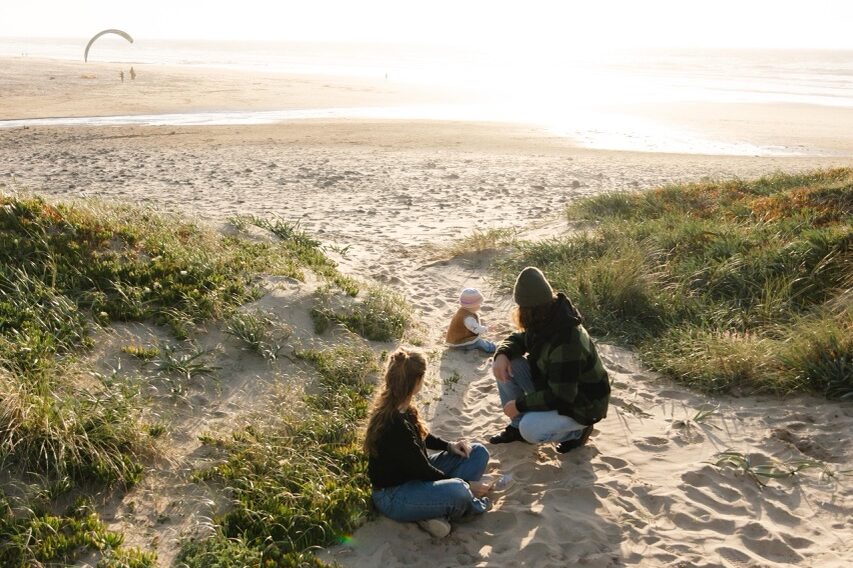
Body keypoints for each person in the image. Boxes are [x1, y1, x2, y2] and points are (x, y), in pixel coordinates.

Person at [365, 348, 492, 538]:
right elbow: (423, 470)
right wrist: (466, 485)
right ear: (416, 381)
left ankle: (430, 512)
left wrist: (450, 446)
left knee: (478, 452)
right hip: (394, 495)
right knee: (459, 490)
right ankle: (443, 508)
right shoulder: (394, 425)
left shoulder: (402, 405)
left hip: (413, 477)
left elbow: (423, 436)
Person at [489, 267, 610, 453]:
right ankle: (516, 427)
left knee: (530, 429)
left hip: (583, 404)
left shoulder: (566, 340)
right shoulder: (547, 317)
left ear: (528, 310)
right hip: (554, 385)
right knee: (508, 363)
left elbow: (562, 396)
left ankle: (578, 432)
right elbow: (521, 339)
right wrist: (502, 354)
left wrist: (520, 405)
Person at [445, 288, 497, 354]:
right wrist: (487, 329)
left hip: (455, 339)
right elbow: (477, 329)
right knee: (479, 342)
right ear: (472, 305)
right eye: (478, 304)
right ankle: (492, 348)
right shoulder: (468, 318)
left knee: (478, 340)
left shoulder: (462, 311)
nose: (480, 306)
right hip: (458, 342)